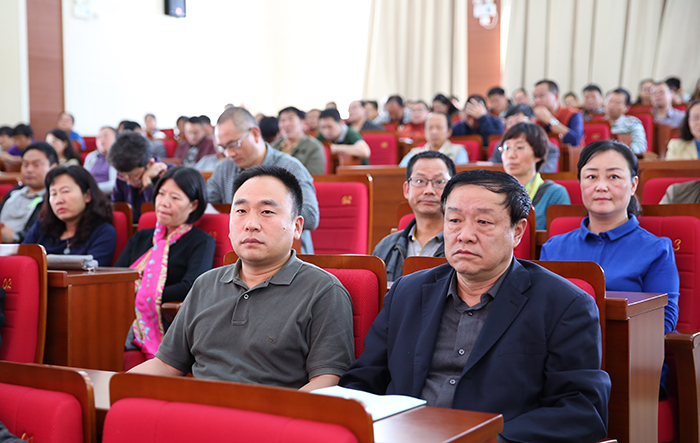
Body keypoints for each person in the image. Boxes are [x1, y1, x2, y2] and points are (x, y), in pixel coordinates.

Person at [340, 169, 611, 443]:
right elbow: (362, 382)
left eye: (483, 222)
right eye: (454, 220)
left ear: (517, 232)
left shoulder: (565, 304)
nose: (465, 235)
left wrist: (490, 439)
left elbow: (582, 411)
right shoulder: (406, 293)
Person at [129, 165, 354, 392]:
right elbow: (166, 365)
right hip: (198, 409)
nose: (251, 224)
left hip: (272, 412)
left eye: (267, 212)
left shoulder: (324, 291)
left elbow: (328, 380)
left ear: (297, 227)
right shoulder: (205, 284)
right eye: (241, 211)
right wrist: (114, 387)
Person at [540, 140, 679, 395]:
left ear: (633, 184)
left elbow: (664, 318)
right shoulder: (554, 247)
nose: (601, 186)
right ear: (580, 183)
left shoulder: (656, 248)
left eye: (613, 176)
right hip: (558, 367)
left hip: (630, 368)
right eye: (591, 176)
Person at [116, 166, 215, 360]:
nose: (164, 202)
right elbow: (115, 276)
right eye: (161, 194)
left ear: (193, 205)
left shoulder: (201, 241)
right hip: (123, 311)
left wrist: (142, 294)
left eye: (175, 197)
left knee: (104, 337)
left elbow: (191, 287)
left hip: (167, 319)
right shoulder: (141, 237)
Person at [207, 106, 319, 254]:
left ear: (255, 133)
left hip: (285, 256)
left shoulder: (290, 167)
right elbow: (207, 203)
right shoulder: (225, 168)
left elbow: (310, 216)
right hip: (240, 253)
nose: (229, 154)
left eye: (234, 144)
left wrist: (269, 212)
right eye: (223, 148)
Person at [373, 151, 455, 282]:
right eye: (420, 181)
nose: (429, 190)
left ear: (452, 190)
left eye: (439, 181)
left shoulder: (464, 245)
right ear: (407, 189)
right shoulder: (385, 246)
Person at [23, 165, 116, 266]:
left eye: (65, 191)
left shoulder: (103, 232)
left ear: (87, 196)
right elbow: (21, 261)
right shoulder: (42, 227)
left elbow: (93, 272)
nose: (58, 200)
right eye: (53, 194)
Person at [500, 122, 570, 230]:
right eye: (506, 147)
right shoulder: (496, 192)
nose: (511, 155)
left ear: (538, 153)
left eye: (519, 147)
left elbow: (562, 236)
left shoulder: (555, 193)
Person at [0, 142, 58, 244]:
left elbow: (45, 235)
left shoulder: (54, 198)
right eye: (25, 164)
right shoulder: (14, 192)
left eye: (36, 165)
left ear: (53, 168)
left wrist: (16, 237)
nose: (29, 170)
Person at [108, 131, 172, 222]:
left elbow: (158, 214)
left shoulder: (170, 175)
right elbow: (117, 208)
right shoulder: (122, 176)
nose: (128, 181)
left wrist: (147, 181)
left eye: (134, 175)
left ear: (150, 163)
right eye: (123, 175)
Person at [489, 104, 560, 173]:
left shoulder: (548, 148)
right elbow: (492, 169)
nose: (513, 127)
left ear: (532, 121)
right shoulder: (502, 146)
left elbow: (546, 174)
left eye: (518, 122)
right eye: (509, 123)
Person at [271, 107, 326, 175]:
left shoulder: (314, 147)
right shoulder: (273, 147)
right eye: (282, 120)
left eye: (291, 119)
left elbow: (315, 176)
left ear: (303, 123)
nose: (286, 124)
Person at [400, 113, 468, 166]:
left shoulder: (458, 151)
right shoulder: (415, 153)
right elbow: (400, 172)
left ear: (449, 131)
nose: (434, 132)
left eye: (439, 127)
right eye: (430, 128)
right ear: (424, 131)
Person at [532, 79, 584, 146]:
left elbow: (575, 140)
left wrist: (550, 120)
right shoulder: (533, 116)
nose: (537, 101)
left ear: (556, 96)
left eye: (541, 96)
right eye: (534, 97)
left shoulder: (573, 114)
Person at [604, 88, 647, 155]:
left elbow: (639, 148)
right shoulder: (597, 123)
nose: (612, 105)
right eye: (609, 101)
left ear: (626, 107)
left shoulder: (633, 123)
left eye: (617, 103)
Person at [83, 126, 118, 195]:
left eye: (105, 136)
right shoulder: (91, 156)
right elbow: (83, 177)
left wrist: (92, 189)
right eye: (99, 137)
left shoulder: (118, 157)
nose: (101, 139)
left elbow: (114, 184)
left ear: (116, 138)